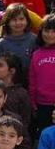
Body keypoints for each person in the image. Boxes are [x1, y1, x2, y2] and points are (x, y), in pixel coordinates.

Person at [29, 14, 55, 142]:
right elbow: (32, 81)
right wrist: (33, 102)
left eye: (53, 31)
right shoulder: (37, 54)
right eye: (46, 30)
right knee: (45, 136)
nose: (50, 34)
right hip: (42, 104)